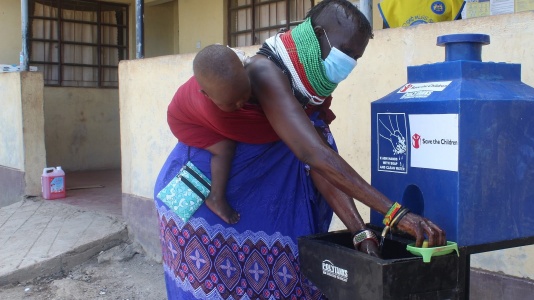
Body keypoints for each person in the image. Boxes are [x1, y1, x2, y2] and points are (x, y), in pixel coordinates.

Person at [155, 1, 446, 299]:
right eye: (344, 52)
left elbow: (321, 163)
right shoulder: (264, 72)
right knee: (213, 279)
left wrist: (360, 230)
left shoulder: (308, 90)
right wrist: (396, 214)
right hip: (212, 191)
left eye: (355, 57)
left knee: (285, 276)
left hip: (261, 200)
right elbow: (314, 155)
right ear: (318, 35)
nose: (348, 62)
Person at [166, 45, 252, 224]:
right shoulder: (212, 109)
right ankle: (216, 198)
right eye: (232, 103)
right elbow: (255, 132)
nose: (241, 103)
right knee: (225, 147)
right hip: (185, 122)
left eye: (245, 94)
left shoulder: (235, 73)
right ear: (207, 95)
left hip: (193, 109)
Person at [378, 0, 465, 28]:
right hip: (404, 65)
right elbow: (388, 42)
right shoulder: (390, 5)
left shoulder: (450, 2)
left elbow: (458, 38)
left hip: (441, 64)